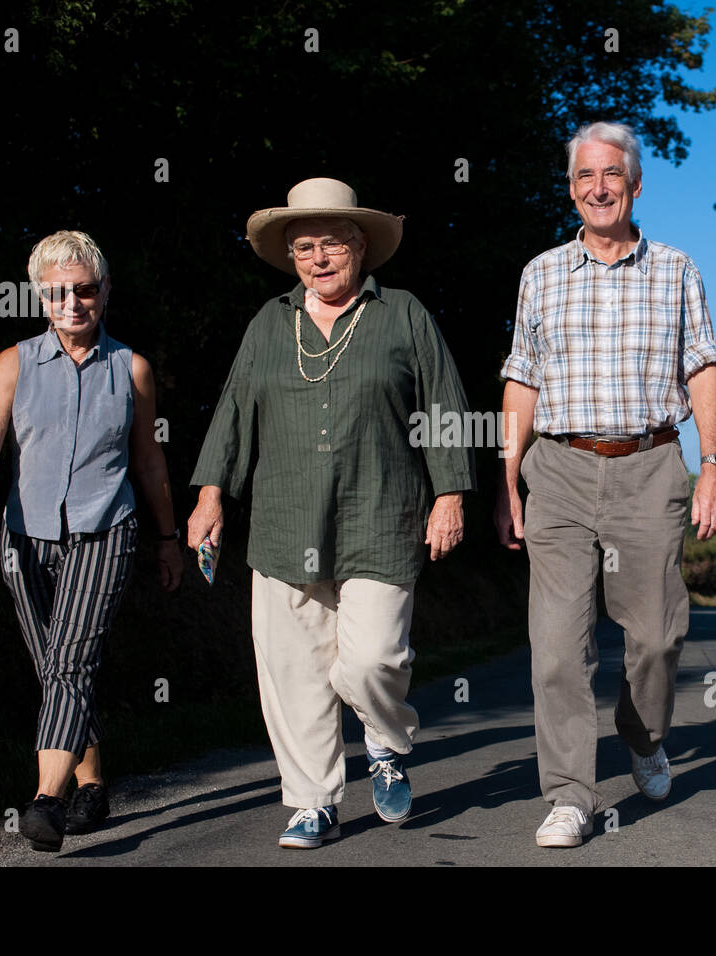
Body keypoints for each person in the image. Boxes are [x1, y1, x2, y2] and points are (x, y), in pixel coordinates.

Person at [186, 178, 475, 849]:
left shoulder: (403, 315)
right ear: (291, 256)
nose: (318, 258)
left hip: (381, 513)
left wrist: (451, 494)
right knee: (292, 671)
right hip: (284, 520)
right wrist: (210, 495)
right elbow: (232, 412)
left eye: (332, 244)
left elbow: (446, 407)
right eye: (304, 246)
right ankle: (313, 802)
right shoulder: (267, 322)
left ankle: (386, 741)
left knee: (372, 659)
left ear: (361, 247)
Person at [494, 122, 716, 848]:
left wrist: (714, 464)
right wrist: (506, 477)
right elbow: (521, 379)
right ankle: (570, 794)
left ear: (633, 185)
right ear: (572, 189)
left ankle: (641, 732)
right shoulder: (540, 272)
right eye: (585, 176)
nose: (599, 187)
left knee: (657, 635)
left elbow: (703, 370)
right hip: (559, 470)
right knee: (559, 646)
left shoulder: (678, 269)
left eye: (612, 175)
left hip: (651, 464)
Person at [0, 230, 182, 851]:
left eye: (85, 289)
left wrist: (168, 538)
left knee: (70, 662)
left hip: (105, 530)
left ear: (104, 291)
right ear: (40, 296)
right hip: (25, 537)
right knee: (55, 669)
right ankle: (93, 784)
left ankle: (45, 802)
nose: (73, 303)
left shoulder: (130, 369)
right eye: (59, 292)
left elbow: (150, 463)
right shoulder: (15, 363)